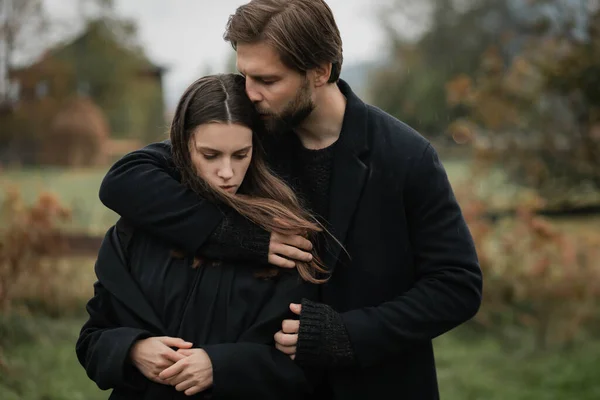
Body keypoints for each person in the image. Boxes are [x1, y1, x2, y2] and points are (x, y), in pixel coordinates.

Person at [97, 0, 483, 399]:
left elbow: (457, 286)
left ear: (320, 71)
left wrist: (348, 334)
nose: (249, 94)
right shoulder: (249, 137)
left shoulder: (405, 156)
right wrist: (239, 236)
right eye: (244, 75)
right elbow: (125, 181)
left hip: (375, 385)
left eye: (267, 79)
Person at [76, 73, 332, 400]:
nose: (226, 172)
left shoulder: (287, 240)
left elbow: (302, 370)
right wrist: (133, 350)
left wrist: (220, 366)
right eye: (210, 155)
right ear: (182, 149)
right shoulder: (136, 230)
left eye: (240, 155)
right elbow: (92, 340)